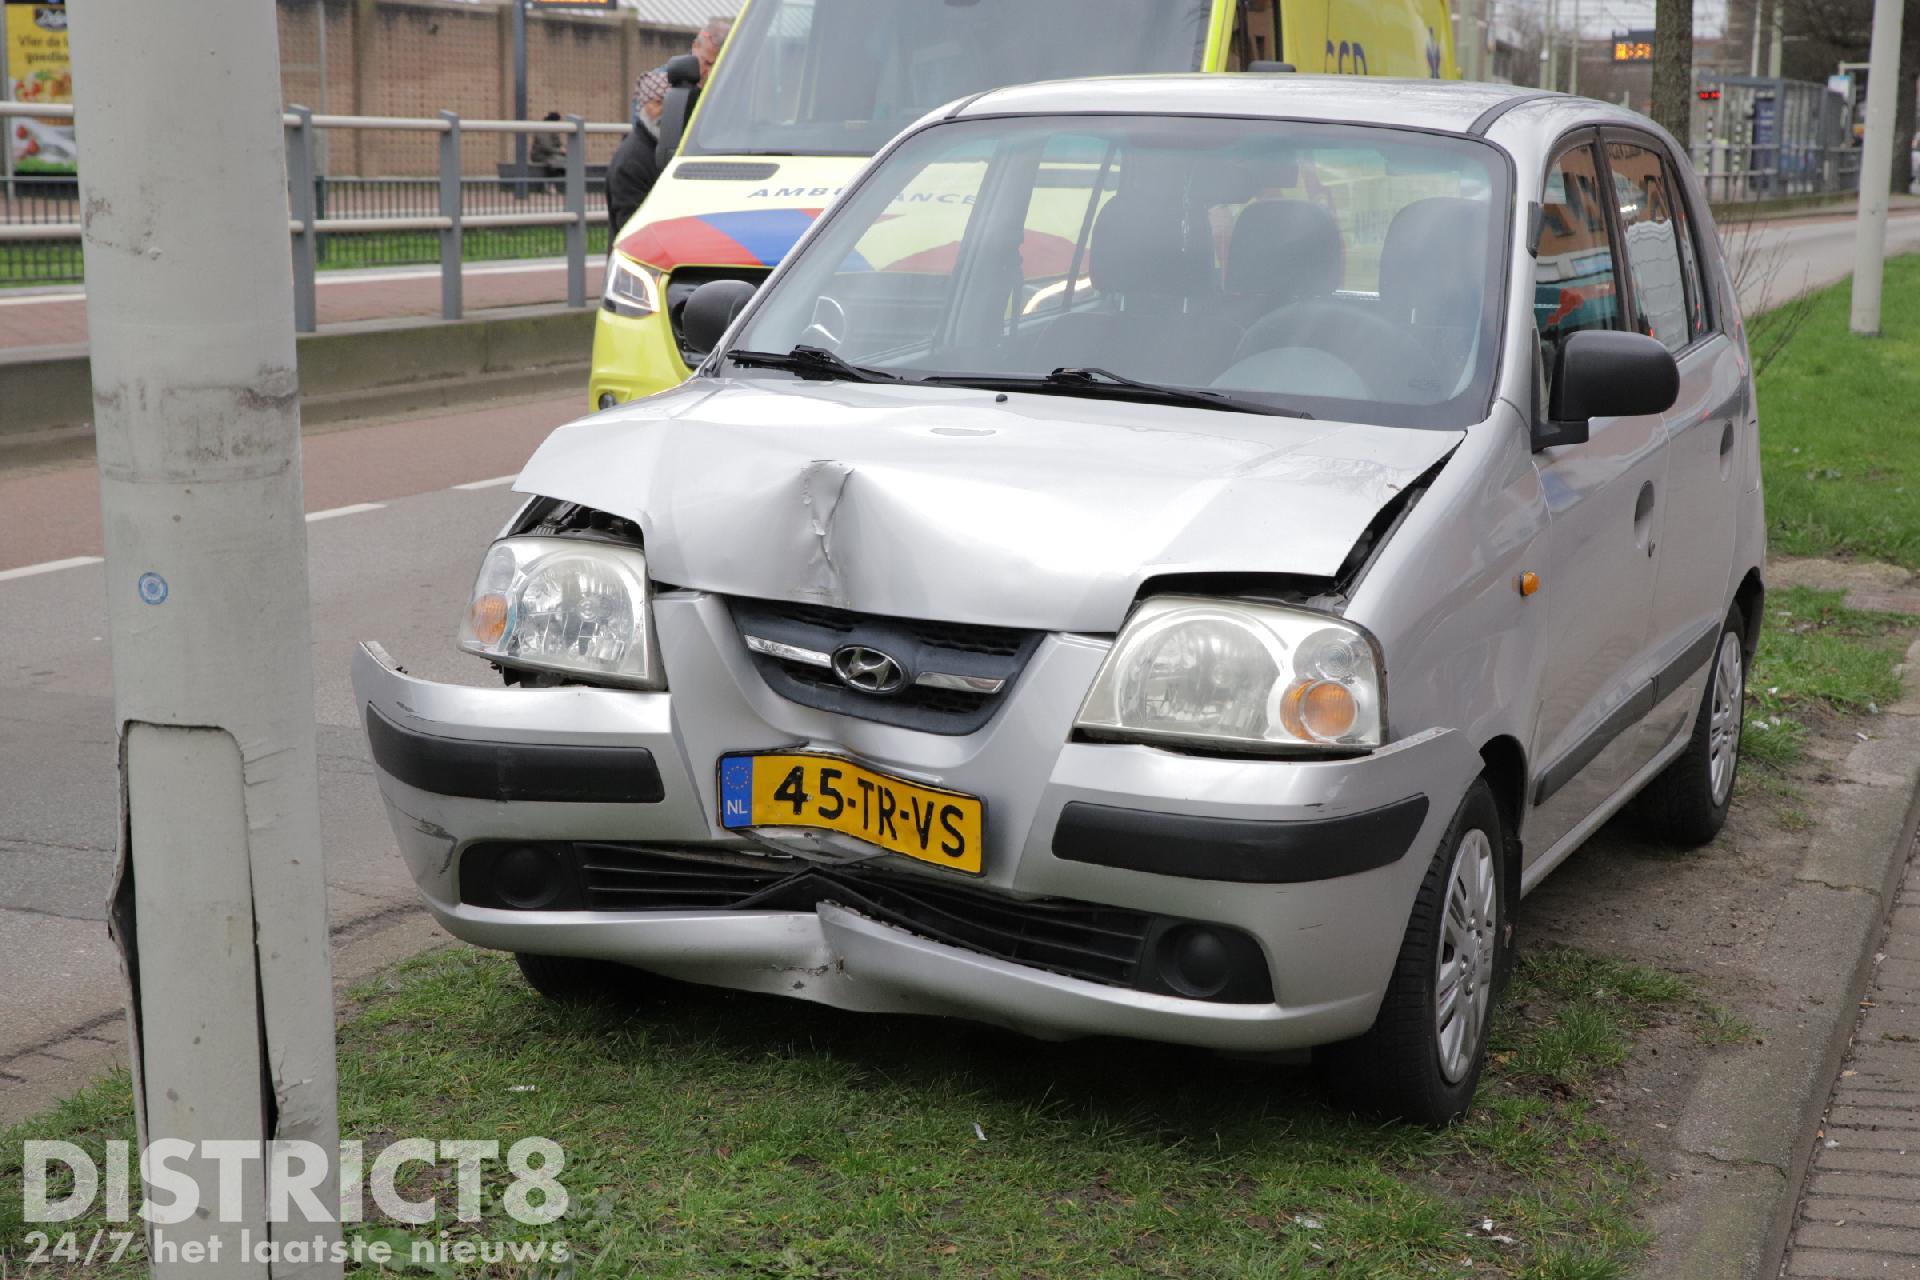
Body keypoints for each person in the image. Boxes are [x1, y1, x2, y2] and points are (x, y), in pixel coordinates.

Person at [607, 68, 670, 241]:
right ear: (642, 106)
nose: (664, 110)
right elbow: (632, 231)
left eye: (670, 103)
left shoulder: (660, 147)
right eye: (658, 102)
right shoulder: (631, 161)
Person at [527, 111, 566, 187]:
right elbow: (546, 147)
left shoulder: (553, 130)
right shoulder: (543, 129)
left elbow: (558, 143)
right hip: (540, 155)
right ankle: (549, 184)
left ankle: (560, 184)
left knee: (567, 160)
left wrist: (563, 149)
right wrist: (560, 151)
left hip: (551, 154)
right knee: (556, 161)